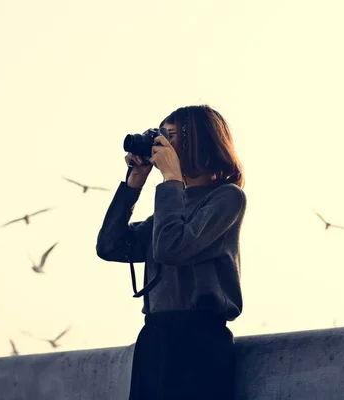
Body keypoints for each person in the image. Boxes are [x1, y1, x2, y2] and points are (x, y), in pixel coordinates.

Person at [96, 105, 247, 399]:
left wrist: (171, 181)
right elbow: (110, 246)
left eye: (170, 136)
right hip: (155, 336)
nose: (159, 144)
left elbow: (171, 249)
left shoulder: (227, 198)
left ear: (198, 141)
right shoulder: (171, 204)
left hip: (199, 341)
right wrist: (133, 184)